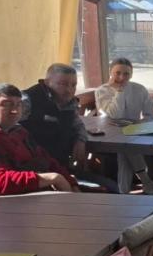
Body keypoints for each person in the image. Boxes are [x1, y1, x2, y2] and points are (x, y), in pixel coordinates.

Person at [21, 63, 119, 193]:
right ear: (47, 82)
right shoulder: (27, 100)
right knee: (109, 189)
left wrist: (80, 140)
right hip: (33, 174)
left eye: (73, 85)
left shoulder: (69, 103)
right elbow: (11, 130)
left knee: (112, 187)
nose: (69, 90)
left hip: (60, 168)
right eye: (63, 84)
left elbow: (77, 124)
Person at [0, 83, 78, 195]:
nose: (15, 110)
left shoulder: (19, 132)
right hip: (12, 202)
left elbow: (47, 160)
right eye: (6, 104)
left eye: (18, 104)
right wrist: (52, 178)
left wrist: (71, 183)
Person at [94, 57, 153, 194]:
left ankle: (124, 193)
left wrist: (138, 124)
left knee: (126, 144)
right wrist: (119, 91)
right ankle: (146, 182)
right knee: (126, 145)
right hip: (109, 132)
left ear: (131, 74)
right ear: (110, 72)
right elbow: (115, 114)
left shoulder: (139, 89)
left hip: (134, 130)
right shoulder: (102, 90)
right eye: (117, 73)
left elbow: (151, 116)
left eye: (126, 74)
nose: (122, 77)